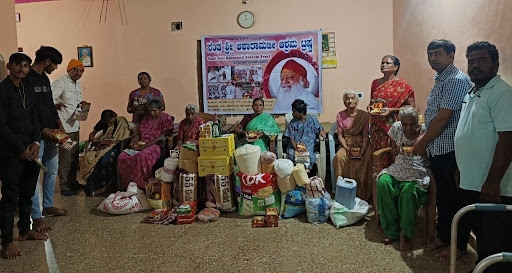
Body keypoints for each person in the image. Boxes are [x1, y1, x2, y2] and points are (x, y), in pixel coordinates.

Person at [455, 41, 512, 273]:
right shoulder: (473, 91)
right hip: (474, 181)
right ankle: (482, 268)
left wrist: (493, 181)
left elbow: (507, 140)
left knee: (498, 241)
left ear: (495, 64)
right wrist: (461, 168)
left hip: (495, 186)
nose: (476, 65)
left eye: (482, 60)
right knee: (483, 236)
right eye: (472, 61)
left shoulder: (502, 93)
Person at [412, 40, 473, 257]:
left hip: (451, 150)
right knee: (445, 197)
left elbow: (443, 117)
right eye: (429, 54)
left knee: (457, 198)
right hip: (438, 149)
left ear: (451, 55)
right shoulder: (440, 79)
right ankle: (445, 237)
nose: (432, 58)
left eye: (437, 53)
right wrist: (424, 137)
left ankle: (459, 245)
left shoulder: (456, 80)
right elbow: (432, 115)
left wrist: (422, 142)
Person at [0, 53, 47, 259]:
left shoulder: (28, 88)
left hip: (31, 148)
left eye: (26, 65)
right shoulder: (2, 90)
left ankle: (25, 230)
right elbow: (1, 125)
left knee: (28, 192)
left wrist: (36, 142)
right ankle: (7, 242)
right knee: (10, 197)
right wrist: (20, 148)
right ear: (9, 65)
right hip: (11, 151)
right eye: (18, 64)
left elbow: (35, 117)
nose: (22, 69)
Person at [25, 46, 66, 233]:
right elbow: (28, 111)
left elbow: (48, 104)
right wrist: (42, 130)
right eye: (55, 64)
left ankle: (48, 204)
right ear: (47, 61)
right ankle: (36, 216)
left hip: (52, 133)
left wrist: (58, 122)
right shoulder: (27, 79)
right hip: (37, 135)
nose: (56, 68)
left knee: (52, 170)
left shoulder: (44, 78)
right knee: (34, 175)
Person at [376, 106, 429, 251]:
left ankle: (405, 233)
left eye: (412, 124)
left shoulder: (426, 130)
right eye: (405, 124)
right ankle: (391, 231)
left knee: (408, 192)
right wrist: (399, 150)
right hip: (399, 166)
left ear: (417, 121)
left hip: (418, 168)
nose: (408, 128)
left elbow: (428, 152)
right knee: (383, 183)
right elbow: (393, 151)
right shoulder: (396, 128)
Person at [117, 99, 174, 189]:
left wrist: (147, 145)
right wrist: (133, 141)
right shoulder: (146, 118)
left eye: (154, 111)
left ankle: (142, 184)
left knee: (141, 156)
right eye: (150, 111)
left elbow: (164, 135)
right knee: (122, 156)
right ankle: (128, 185)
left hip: (156, 145)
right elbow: (138, 134)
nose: (151, 113)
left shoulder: (166, 118)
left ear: (160, 110)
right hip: (141, 143)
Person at [52, 59, 87, 196]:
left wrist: (82, 105)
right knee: (65, 157)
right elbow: (49, 100)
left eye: (81, 71)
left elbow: (74, 103)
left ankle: (73, 182)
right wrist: (57, 105)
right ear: (69, 70)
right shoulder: (60, 82)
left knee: (74, 156)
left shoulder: (78, 85)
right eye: (75, 70)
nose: (78, 73)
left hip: (75, 125)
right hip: (63, 127)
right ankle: (65, 186)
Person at [77, 110, 131, 195]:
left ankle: (102, 186)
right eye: (106, 122)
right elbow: (92, 134)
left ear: (113, 117)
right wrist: (95, 141)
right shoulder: (103, 122)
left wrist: (112, 143)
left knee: (105, 158)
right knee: (88, 157)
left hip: (116, 147)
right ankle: (91, 184)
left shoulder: (121, 121)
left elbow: (123, 138)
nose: (108, 124)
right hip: (103, 146)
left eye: (110, 122)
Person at [369, 55, 415, 153]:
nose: (383, 65)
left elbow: (412, 107)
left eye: (387, 63)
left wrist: (392, 110)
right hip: (377, 126)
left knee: (392, 152)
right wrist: (370, 108)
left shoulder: (403, 85)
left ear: (396, 67)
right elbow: (372, 102)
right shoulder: (375, 83)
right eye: (382, 63)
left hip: (394, 125)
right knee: (378, 153)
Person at [333, 91, 372, 201]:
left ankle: (364, 194)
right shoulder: (340, 115)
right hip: (347, 144)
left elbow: (365, 134)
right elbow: (340, 135)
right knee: (339, 157)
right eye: (347, 98)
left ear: (357, 101)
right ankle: (343, 192)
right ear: (344, 101)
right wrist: (345, 147)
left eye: (352, 98)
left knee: (368, 157)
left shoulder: (364, 116)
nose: (350, 101)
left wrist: (363, 149)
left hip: (363, 144)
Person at [284, 99, 326, 172]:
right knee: (291, 154)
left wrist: (322, 131)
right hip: (296, 145)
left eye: (294, 112)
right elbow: (291, 138)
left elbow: (320, 128)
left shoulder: (312, 119)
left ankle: (305, 171)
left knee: (308, 154)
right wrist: (296, 148)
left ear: (302, 113)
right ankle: (297, 172)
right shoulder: (293, 123)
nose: (292, 114)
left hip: (308, 144)